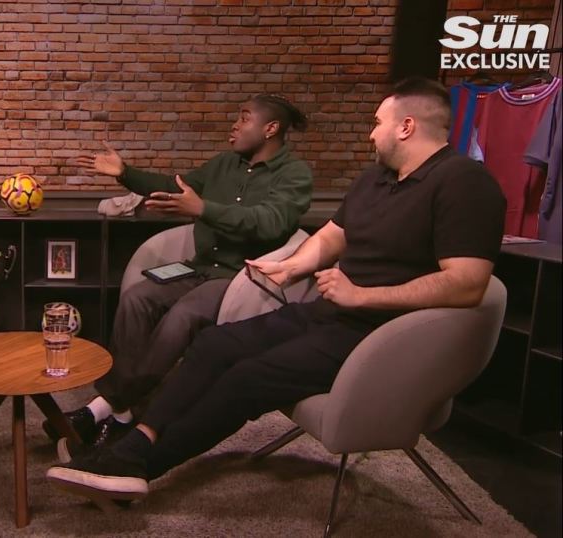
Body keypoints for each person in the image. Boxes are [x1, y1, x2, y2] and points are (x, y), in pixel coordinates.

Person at [45, 77, 507, 504]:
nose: (371, 134)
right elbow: (331, 235)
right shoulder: (377, 179)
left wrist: (362, 296)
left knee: (248, 378)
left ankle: (140, 466)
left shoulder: (464, 183)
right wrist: (291, 268)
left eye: (377, 123)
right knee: (214, 344)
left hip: (380, 334)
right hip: (332, 312)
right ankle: (135, 441)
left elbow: (467, 284)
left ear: (406, 126)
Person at [43, 94, 314, 454]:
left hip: (240, 279)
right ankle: (123, 414)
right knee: (137, 298)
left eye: (244, 118)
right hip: (198, 267)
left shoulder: (294, 174)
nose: (234, 125)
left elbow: (269, 222)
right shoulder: (223, 164)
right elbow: (175, 185)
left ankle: (104, 408)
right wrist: (126, 174)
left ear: (271, 128)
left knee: (182, 316)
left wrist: (203, 208)